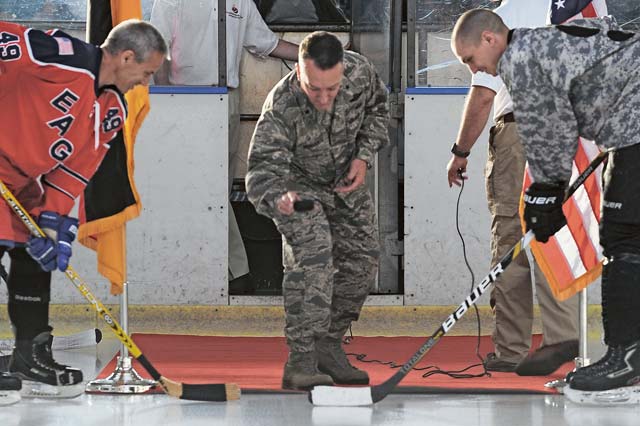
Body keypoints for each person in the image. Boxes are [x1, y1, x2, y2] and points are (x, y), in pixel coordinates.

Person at [451, 10, 640, 392]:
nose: (475, 69)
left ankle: (624, 360)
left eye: (470, 59)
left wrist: (545, 190)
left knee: (624, 240)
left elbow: (548, 127)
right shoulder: (543, 38)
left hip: (632, 127)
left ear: (490, 39)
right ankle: (627, 357)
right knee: (629, 238)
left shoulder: (518, 58)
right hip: (628, 127)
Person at [0, 19, 166, 401]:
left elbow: (73, 171)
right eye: (146, 72)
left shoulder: (112, 109)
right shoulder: (60, 56)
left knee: (36, 254)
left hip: (24, 183)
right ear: (126, 57)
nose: (145, 82)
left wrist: (53, 223)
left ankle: (30, 354)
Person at [246, 31, 389, 390]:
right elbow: (259, 177)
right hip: (298, 188)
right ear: (298, 70)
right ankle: (302, 361)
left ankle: (329, 345)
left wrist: (363, 156)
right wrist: (282, 202)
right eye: (315, 89)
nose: (324, 98)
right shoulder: (281, 105)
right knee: (313, 260)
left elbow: (378, 110)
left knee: (364, 260)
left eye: (332, 89)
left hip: (344, 181)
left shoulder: (360, 72)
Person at [446, 0, 579, 376]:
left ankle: (512, 349)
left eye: (470, 60)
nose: (474, 67)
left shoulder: (507, 15)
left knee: (512, 239)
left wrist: (460, 151)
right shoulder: (575, 6)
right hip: (567, 133)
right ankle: (564, 337)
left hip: (521, 132)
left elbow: (484, 94)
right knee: (555, 235)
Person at [150, 0, 299, 294]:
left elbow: (265, 42)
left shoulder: (239, 0)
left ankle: (218, 272)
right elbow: (157, 48)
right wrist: (169, 98)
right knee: (201, 189)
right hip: (187, 98)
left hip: (227, 98)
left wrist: (318, 55)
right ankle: (236, 271)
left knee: (216, 189)